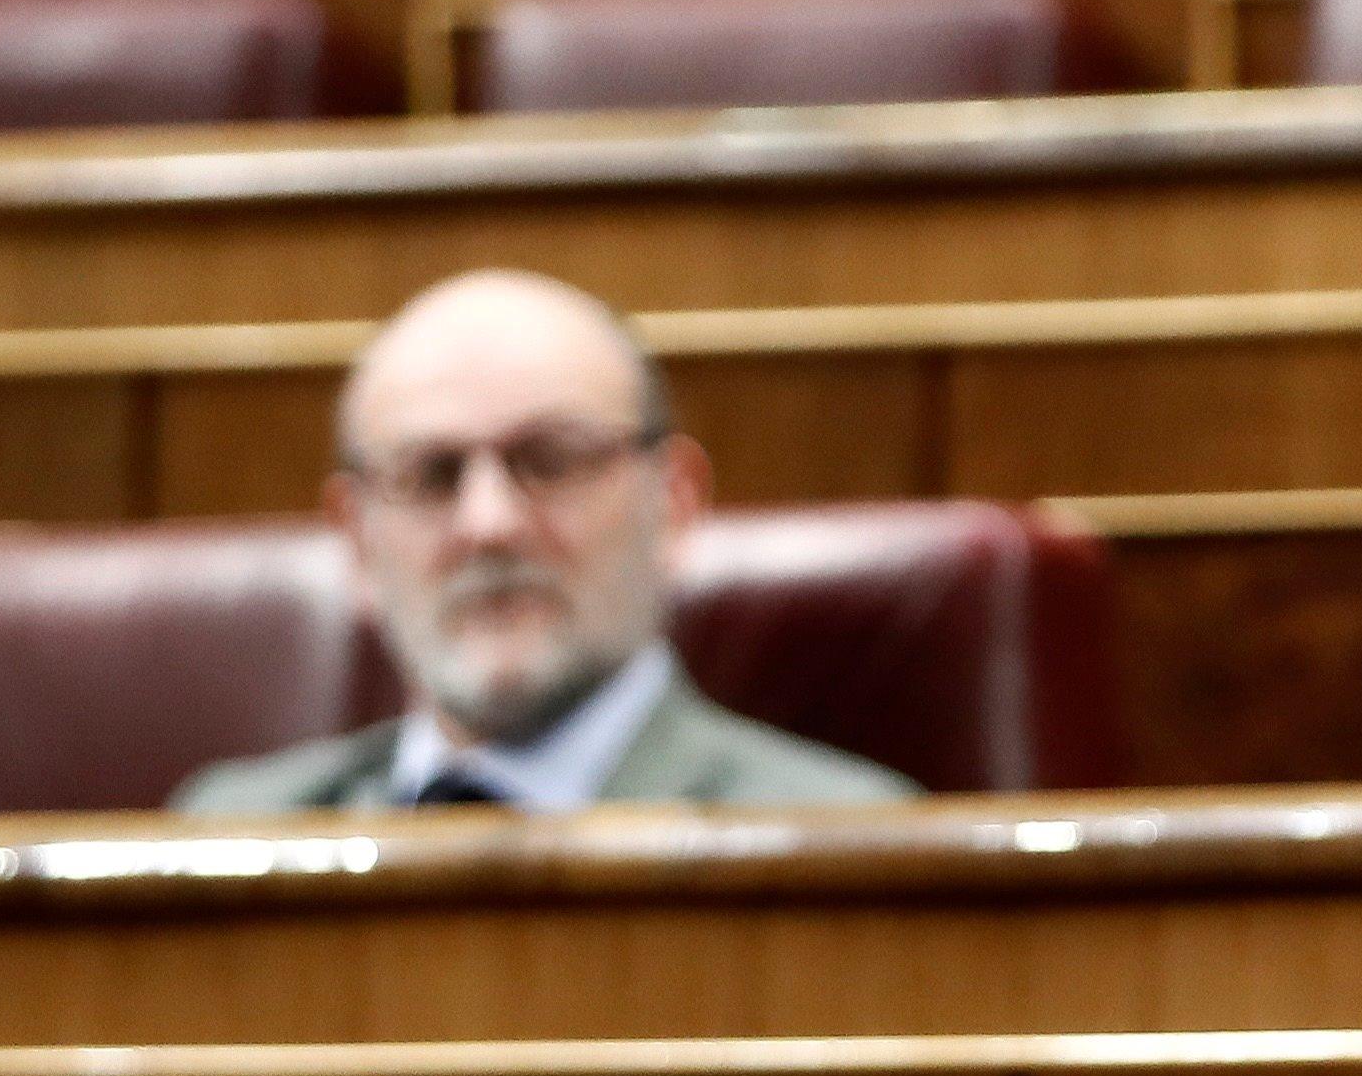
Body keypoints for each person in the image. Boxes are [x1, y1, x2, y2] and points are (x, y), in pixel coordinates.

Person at [173, 269, 916, 813]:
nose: (489, 524)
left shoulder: (844, 842)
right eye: (431, 474)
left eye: (552, 461)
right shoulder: (224, 836)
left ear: (675, 506)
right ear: (358, 542)